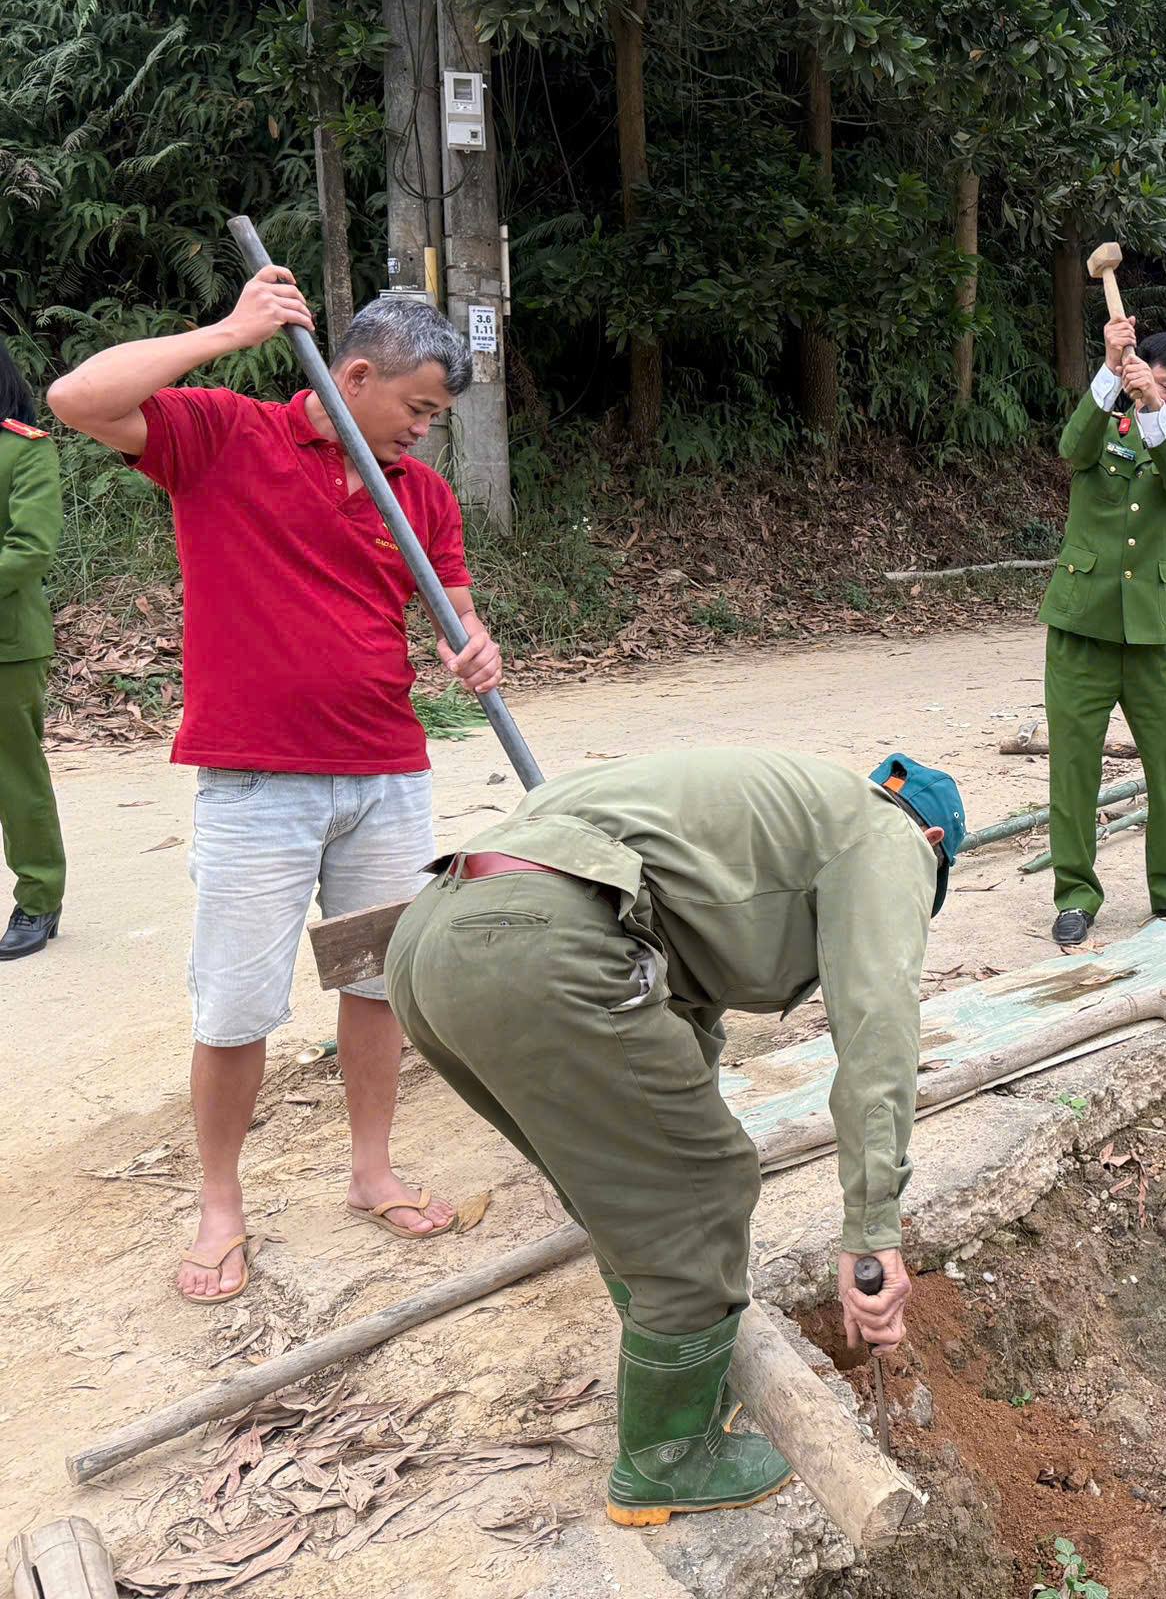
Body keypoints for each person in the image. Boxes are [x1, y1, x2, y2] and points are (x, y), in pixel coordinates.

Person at [47, 267, 504, 1302]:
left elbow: (457, 614)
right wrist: (230, 329)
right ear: (354, 375)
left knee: (379, 984)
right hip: (259, 787)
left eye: (437, 418)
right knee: (238, 1007)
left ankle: (371, 1170)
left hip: (387, 777)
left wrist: (474, 649)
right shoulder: (225, 437)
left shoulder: (418, 494)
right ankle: (220, 1204)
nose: (425, 434)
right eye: (419, 409)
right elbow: (79, 401)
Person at [384, 747, 961, 1526]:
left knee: (636, 1179)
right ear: (932, 846)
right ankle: (668, 1458)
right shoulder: (889, 841)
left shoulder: (774, 814)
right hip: (539, 949)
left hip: (432, 943)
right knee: (703, 1190)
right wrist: (871, 1230)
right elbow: (879, 1037)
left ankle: (679, 1354)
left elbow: (683, 1011)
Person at [1039, 312, 1166, 948]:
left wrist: (1155, 407)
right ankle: (1074, 893)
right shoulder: (1103, 425)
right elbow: (1071, 450)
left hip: (1152, 634)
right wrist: (1109, 368)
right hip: (1080, 628)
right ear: (1135, 373)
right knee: (1074, 769)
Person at [0, 341, 65, 960]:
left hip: (6, 646)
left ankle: (40, 899)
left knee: (14, 779)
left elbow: (30, 548)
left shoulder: (24, 450)